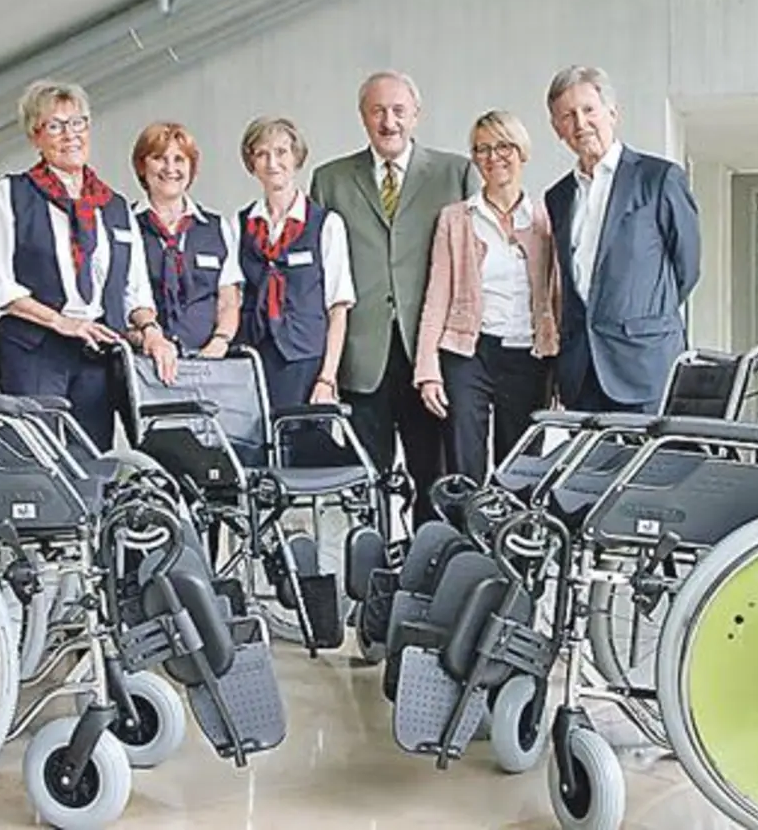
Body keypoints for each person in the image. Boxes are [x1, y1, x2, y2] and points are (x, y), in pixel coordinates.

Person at [310, 70, 479, 525]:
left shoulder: (456, 173)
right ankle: (372, 565)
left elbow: (471, 272)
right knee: (365, 483)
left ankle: (429, 561)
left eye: (399, 111)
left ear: (416, 115)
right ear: (362, 116)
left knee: (434, 477)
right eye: (378, 111)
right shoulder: (330, 180)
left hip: (430, 355)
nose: (389, 122)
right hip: (361, 356)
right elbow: (320, 277)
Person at [0, 79, 177, 451]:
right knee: (40, 459)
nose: (70, 135)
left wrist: (152, 331)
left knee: (92, 459)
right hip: (36, 350)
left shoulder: (115, 206)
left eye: (78, 123)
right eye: (55, 126)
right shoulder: (12, 193)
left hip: (96, 354)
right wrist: (61, 322)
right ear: (35, 137)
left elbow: (135, 292)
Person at [542, 65, 701, 414]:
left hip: (643, 365)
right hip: (581, 371)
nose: (580, 123)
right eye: (568, 116)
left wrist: (640, 316)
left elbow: (686, 269)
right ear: (557, 129)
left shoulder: (659, 179)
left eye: (588, 110)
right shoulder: (558, 197)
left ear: (612, 113)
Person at [414, 110, 559, 482]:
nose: (493, 157)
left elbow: (557, 298)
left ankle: (512, 524)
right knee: (463, 465)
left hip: (527, 355)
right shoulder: (456, 218)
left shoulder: (545, 219)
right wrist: (427, 369)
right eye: (482, 149)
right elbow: (437, 297)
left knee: (519, 469)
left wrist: (561, 366)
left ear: (522, 151)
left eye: (503, 146)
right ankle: (465, 523)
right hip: (468, 354)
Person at [235, 116, 355, 412]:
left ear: (296, 157)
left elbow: (338, 308)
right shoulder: (239, 224)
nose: (272, 163)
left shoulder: (326, 224)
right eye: (261, 154)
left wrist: (327, 378)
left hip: (306, 360)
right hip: (253, 357)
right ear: (251, 163)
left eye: (281, 152)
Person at [129, 121, 242, 358]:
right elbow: (119, 298)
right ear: (142, 166)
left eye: (179, 159)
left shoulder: (216, 227)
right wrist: (143, 338)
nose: (170, 168)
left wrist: (220, 342)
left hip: (207, 360)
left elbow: (228, 300)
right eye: (159, 158)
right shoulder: (124, 225)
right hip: (143, 359)